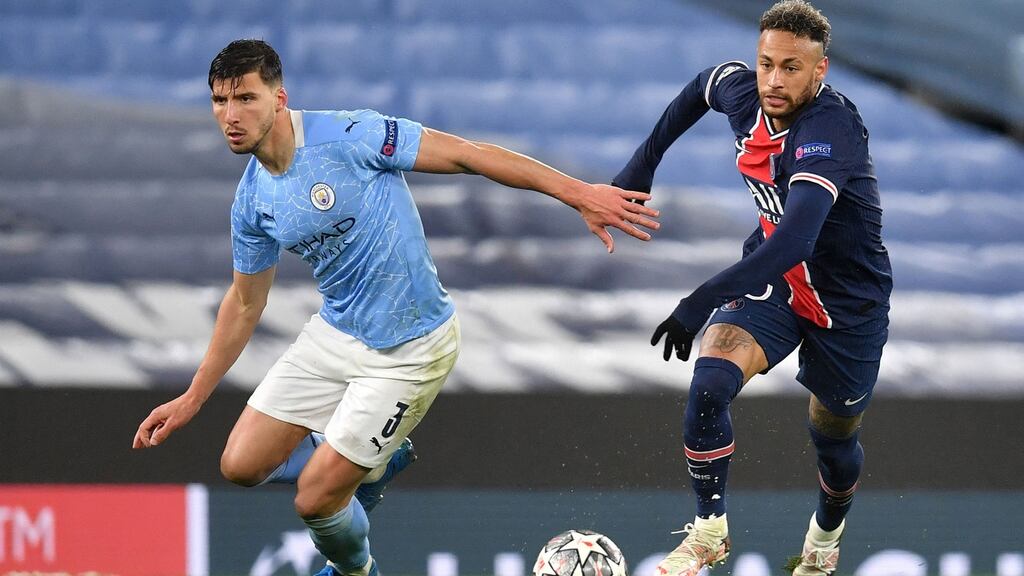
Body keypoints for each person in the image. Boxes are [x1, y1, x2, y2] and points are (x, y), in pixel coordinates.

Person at [132, 39, 660, 576]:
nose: (230, 116)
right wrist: (194, 396)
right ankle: (368, 468)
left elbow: (467, 153)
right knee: (240, 466)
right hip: (338, 332)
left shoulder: (351, 136)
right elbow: (246, 301)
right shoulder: (252, 201)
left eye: (245, 98)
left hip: (411, 347)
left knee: (314, 499)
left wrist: (578, 194)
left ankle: (356, 571)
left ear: (279, 97)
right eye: (220, 102)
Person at [612, 1, 892, 575]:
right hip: (775, 282)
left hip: (847, 303)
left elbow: (796, 239)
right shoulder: (746, 92)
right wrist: (643, 165)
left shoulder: (830, 129)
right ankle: (710, 530)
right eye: (766, 63)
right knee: (710, 379)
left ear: (821, 70)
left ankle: (823, 537)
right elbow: (700, 87)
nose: (773, 80)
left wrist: (698, 301)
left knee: (833, 439)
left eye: (791, 67)